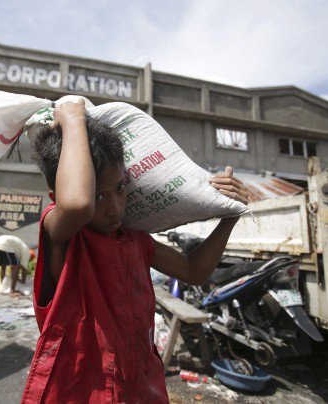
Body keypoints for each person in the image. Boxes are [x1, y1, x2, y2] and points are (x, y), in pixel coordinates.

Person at [21, 100, 248, 403]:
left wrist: (229, 215)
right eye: (99, 195)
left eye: (120, 188)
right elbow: (76, 204)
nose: (115, 208)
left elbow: (194, 271)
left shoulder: (134, 241)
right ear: (56, 196)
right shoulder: (62, 233)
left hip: (139, 387)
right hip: (80, 393)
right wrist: (73, 118)